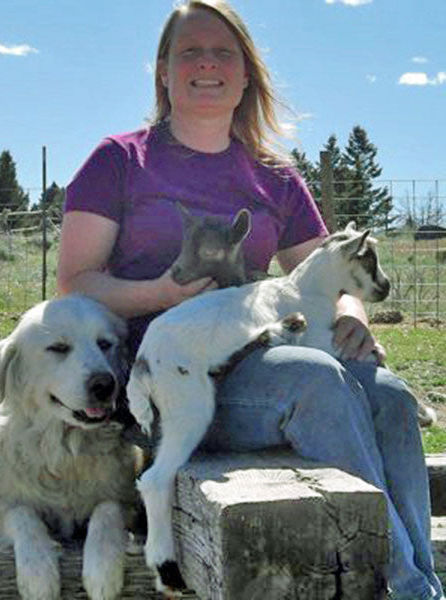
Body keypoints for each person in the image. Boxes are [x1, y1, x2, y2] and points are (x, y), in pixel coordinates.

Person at [56, 1, 443, 598]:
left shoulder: (276, 176)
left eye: (223, 53)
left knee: (388, 394)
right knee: (315, 377)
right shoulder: (118, 161)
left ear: (245, 75)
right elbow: (76, 281)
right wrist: (158, 293)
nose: (206, 63)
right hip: (177, 383)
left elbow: (328, 267)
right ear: (163, 71)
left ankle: (420, 577)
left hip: (263, 358)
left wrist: (351, 317)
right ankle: (405, 585)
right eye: (190, 51)